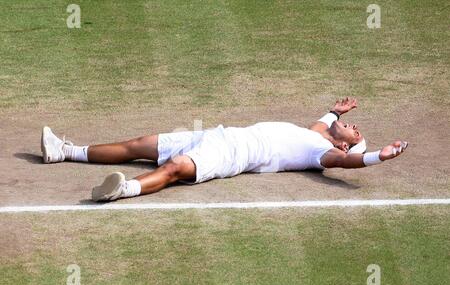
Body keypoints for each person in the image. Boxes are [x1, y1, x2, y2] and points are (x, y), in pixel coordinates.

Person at [41, 98, 408, 201]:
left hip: (232, 156)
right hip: (217, 134)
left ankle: (126, 189)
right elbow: (320, 125)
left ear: (345, 144)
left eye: (354, 131)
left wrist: (377, 156)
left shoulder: (321, 154)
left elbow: (346, 162)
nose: (355, 127)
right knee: (139, 144)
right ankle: (65, 151)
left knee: (173, 171)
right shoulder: (314, 133)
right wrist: (334, 112)